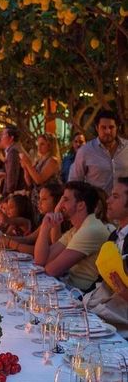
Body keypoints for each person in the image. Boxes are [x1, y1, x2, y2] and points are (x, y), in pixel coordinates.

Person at [34, 181, 111, 292]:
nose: (60, 205)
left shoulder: (90, 230)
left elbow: (51, 270)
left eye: (65, 200)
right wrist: (45, 227)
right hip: (71, 288)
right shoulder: (76, 228)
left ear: (80, 205)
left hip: (82, 295)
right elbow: (40, 261)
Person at [83, 177, 128, 336]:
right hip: (102, 313)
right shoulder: (114, 235)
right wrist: (80, 298)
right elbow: (100, 279)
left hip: (120, 324)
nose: (108, 201)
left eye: (115, 197)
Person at [69, 109, 128, 194]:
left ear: (117, 128)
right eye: (103, 127)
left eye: (111, 127)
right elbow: (74, 182)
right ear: (97, 128)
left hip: (123, 205)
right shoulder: (86, 151)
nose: (107, 131)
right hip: (97, 204)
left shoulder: (126, 148)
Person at [0, 183, 66, 255]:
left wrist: (10, 243)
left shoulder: (58, 223)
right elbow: (28, 239)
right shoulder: (47, 219)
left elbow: (45, 252)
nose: (39, 202)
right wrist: (3, 238)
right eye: (39, 198)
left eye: (44, 199)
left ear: (57, 200)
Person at [20, 133, 61, 220]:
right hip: (36, 199)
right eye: (38, 144)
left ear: (50, 145)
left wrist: (27, 163)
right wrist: (25, 168)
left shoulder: (52, 161)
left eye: (42, 144)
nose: (39, 147)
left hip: (47, 200)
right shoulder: (38, 160)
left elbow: (39, 180)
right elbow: (29, 182)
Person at [0, 126, 26, 196]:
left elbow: (12, 176)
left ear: (11, 138)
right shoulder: (12, 150)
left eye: (3, 134)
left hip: (14, 194)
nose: (1, 137)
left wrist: (7, 194)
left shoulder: (13, 152)